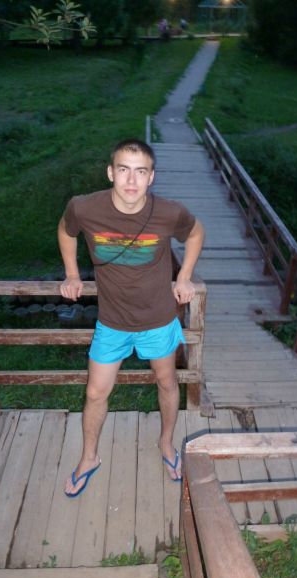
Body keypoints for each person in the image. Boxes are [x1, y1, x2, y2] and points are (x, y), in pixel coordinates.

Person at [58, 139, 204, 497]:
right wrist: (72, 274)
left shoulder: (169, 212)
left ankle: (166, 444)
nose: (131, 180)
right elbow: (65, 230)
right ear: (111, 172)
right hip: (112, 321)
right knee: (95, 392)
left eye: (141, 172)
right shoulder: (84, 207)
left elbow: (196, 232)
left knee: (167, 383)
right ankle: (89, 457)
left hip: (158, 318)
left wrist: (184, 276)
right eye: (124, 170)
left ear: (151, 177)